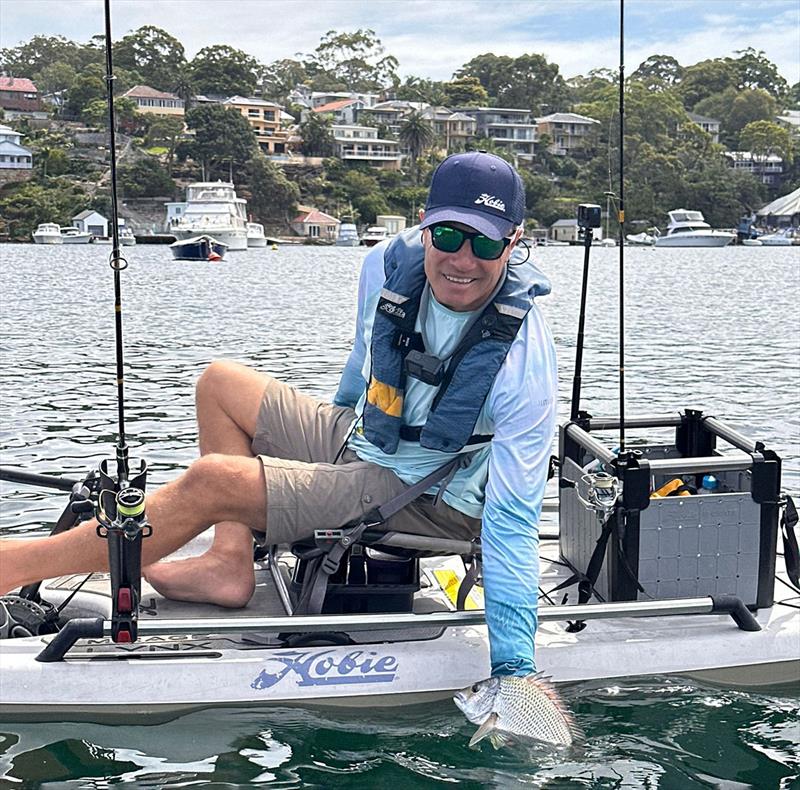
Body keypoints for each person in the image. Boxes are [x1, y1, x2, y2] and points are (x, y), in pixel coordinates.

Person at [0, 152, 557, 678]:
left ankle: (19, 563)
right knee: (220, 384)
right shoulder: (389, 261)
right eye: (450, 235)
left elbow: (511, 521)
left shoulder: (523, 361)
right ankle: (228, 562)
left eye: (485, 244)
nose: (463, 260)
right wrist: (330, 451)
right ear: (424, 226)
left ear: (513, 244)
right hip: (370, 438)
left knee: (216, 481)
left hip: (437, 495)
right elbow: (365, 360)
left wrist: (513, 669)